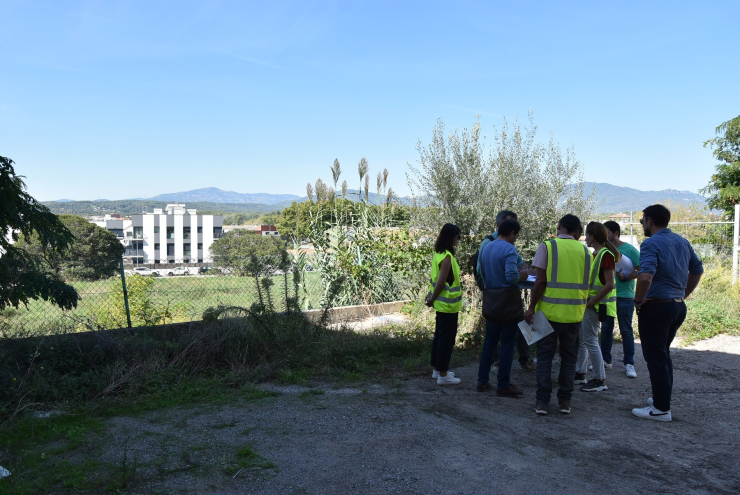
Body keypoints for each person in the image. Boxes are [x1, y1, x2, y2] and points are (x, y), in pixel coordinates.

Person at [632, 204, 703, 421]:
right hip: (677, 306)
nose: (642, 224)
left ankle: (661, 409)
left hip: (656, 307)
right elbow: (697, 270)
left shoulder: (650, 243)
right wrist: (682, 294)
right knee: (663, 354)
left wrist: (637, 300)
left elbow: (645, 277)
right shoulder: (682, 241)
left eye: (643, 220)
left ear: (650, 221)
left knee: (655, 357)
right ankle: (660, 399)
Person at [525, 214, 590, 415]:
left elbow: (540, 282)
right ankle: (565, 402)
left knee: (544, 358)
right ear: (578, 233)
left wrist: (530, 308)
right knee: (569, 359)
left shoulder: (548, 247)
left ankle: (542, 402)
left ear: (559, 227)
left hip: (549, 314)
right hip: (575, 315)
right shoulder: (586, 252)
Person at [476, 210, 537, 371]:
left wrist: (536, 274)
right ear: (504, 225)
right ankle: (503, 379)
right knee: (506, 339)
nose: (516, 238)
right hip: (503, 299)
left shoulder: (490, 246)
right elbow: (485, 271)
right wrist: (522, 276)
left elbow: (521, 264)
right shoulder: (503, 247)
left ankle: (484, 379)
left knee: (492, 337)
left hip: (494, 297)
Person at [575, 222, 621, 393]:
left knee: (591, 341)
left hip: (596, 305)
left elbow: (609, 285)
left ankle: (599, 379)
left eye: (586, 235)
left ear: (592, 236)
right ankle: (580, 373)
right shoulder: (598, 254)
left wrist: (591, 302)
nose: (584, 238)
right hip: (592, 304)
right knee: (584, 339)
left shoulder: (604, 255)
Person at [602, 221, 641, 378]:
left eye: (607, 233)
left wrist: (626, 277)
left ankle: (629, 364)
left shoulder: (630, 250)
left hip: (625, 296)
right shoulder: (604, 250)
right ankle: (605, 361)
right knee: (606, 329)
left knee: (626, 330)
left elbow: (642, 269)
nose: (605, 236)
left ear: (616, 233)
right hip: (608, 296)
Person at [426, 223, 463, 385]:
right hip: (448, 306)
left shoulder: (438, 254)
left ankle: (437, 370)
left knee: (439, 337)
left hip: (442, 305)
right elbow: (440, 282)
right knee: (446, 340)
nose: (459, 240)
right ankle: (443, 375)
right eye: (458, 237)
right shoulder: (447, 257)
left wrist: (431, 298)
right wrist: (432, 299)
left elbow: (435, 280)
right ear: (450, 237)